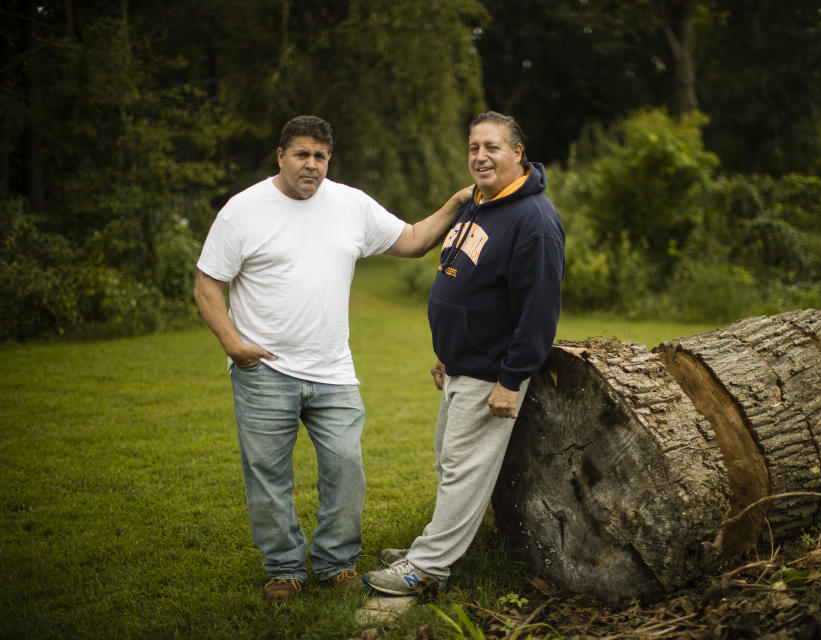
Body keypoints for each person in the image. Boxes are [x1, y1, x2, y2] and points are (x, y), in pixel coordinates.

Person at [194, 115, 472, 603]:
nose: (312, 165)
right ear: (280, 156)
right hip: (265, 369)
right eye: (301, 154)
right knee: (268, 475)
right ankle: (284, 568)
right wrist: (233, 343)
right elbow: (207, 282)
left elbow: (411, 240)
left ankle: (335, 562)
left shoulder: (350, 204)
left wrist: (454, 203)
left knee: (346, 469)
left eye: (320, 156)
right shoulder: (243, 211)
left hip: (334, 372)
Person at [362, 111, 565, 595]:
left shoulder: (534, 222)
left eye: (492, 147)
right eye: (474, 147)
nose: (480, 156)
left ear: (518, 153)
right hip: (460, 365)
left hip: (492, 372)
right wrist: (447, 353)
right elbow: (464, 279)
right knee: (449, 461)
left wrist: (511, 379)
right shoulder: (477, 204)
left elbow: (538, 313)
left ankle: (428, 568)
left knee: (462, 469)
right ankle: (433, 546)